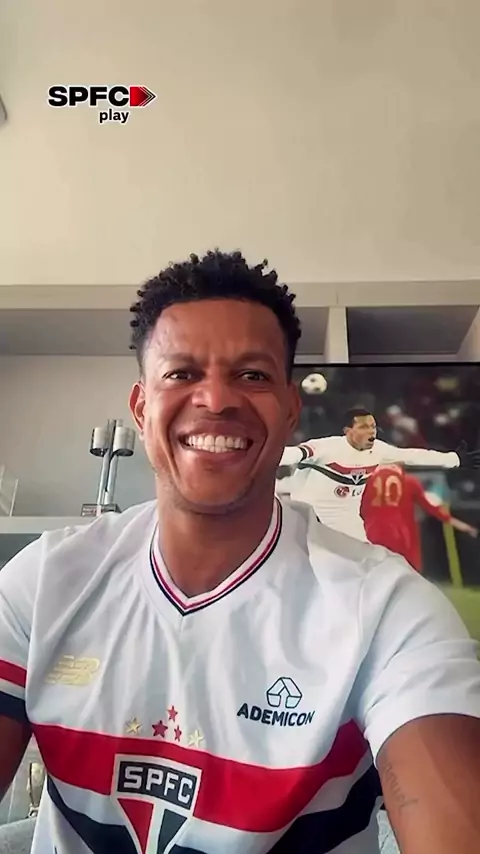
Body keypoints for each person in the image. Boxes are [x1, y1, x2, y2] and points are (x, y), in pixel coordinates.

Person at [0, 250, 479, 854]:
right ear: (141, 409)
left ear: (290, 410)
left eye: (252, 375)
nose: (216, 399)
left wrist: (453, 458)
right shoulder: (44, 580)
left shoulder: (386, 608)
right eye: (182, 373)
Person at [280, 409, 480, 540]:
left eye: (373, 426)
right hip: (307, 516)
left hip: (346, 519)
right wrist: (263, 455)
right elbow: (292, 454)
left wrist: (454, 459)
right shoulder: (326, 447)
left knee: (366, 566)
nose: (371, 431)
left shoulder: (379, 450)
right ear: (348, 431)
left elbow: (413, 456)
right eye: (364, 427)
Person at [360, 463, 478, 573]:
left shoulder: (368, 483)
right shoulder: (410, 482)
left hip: (373, 533)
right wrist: (462, 525)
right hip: (401, 535)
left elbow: (360, 510)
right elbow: (433, 509)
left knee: (377, 571)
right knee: (405, 573)